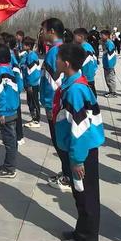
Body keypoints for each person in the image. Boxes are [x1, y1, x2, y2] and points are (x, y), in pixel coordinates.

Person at [54, 43, 104, 241]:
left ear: (66, 63)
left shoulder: (75, 90)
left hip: (82, 151)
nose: (54, 61)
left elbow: (80, 128)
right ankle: (81, 231)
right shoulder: (71, 83)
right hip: (77, 149)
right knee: (79, 193)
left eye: (57, 58)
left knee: (86, 195)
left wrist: (77, 159)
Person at [40, 18, 72, 191]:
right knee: (60, 139)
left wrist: (53, 106)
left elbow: (54, 83)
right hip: (57, 103)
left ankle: (68, 176)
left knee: (60, 140)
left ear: (52, 31)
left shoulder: (55, 52)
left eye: (43, 29)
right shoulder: (58, 49)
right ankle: (66, 171)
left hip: (55, 104)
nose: (42, 33)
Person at [0, 43, 19, 179]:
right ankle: (9, 165)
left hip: (5, 111)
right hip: (12, 108)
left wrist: (0, 111)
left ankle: (9, 168)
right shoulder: (9, 69)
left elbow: (0, 93)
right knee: (11, 139)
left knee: (9, 141)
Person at [7, 34, 25, 146]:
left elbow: (17, 75)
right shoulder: (9, 55)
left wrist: (18, 89)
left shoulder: (11, 56)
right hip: (12, 90)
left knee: (16, 114)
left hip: (14, 90)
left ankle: (19, 136)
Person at [21, 37, 41, 128]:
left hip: (32, 84)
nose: (22, 46)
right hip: (28, 83)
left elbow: (32, 72)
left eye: (24, 44)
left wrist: (30, 84)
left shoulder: (32, 56)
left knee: (34, 101)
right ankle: (33, 118)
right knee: (30, 102)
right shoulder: (27, 55)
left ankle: (37, 119)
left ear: (29, 46)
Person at [73, 28, 98, 97]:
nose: (73, 38)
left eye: (75, 36)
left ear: (81, 37)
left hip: (86, 78)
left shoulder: (85, 49)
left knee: (89, 97)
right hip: (87, 77)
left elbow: (85, 64)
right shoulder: (87, 46)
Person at [101, 29, 117, 98]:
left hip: (109, 65)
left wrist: (110, 65)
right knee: (107, 78)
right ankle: (110, 91)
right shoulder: (106, 43)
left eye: (102, 35)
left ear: (107, 36)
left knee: (110, 78)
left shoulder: (109, 43)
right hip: (106, 65)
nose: (101, 37)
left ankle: (113, 92)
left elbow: (111, 54)